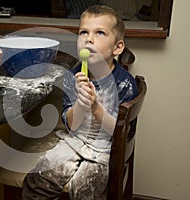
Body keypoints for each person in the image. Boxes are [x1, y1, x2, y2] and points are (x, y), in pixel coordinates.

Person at [22, 5, 138, 200]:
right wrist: (81, 106)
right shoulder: (71, 77)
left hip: (105, 149)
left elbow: (120, 134)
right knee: (38, 180)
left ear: (117, 47)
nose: (88, 39)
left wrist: (95, 108)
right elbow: (72, 125)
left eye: (99, 33)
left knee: (87, 191)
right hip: (74, 140)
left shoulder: (125, 84)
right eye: (83, 32)